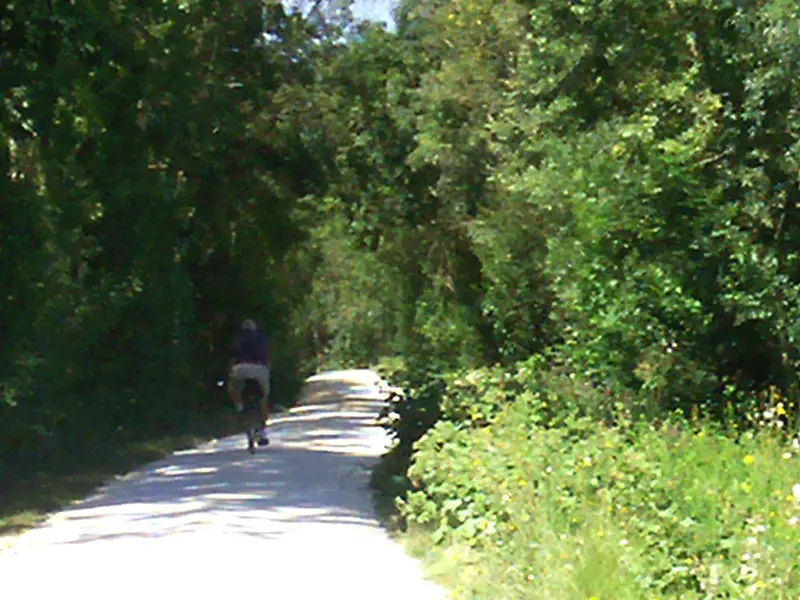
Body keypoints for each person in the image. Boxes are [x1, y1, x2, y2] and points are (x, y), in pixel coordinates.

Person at [228, 318, 271, 446]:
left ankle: (239, 405)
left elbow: (232, 359)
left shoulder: (237, 339)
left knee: (232, 387)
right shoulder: (261, 338)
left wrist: (230, 373)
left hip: (241, 368)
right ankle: (262, 431)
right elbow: (267, 357)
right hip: (259, 369)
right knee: (264, 398)